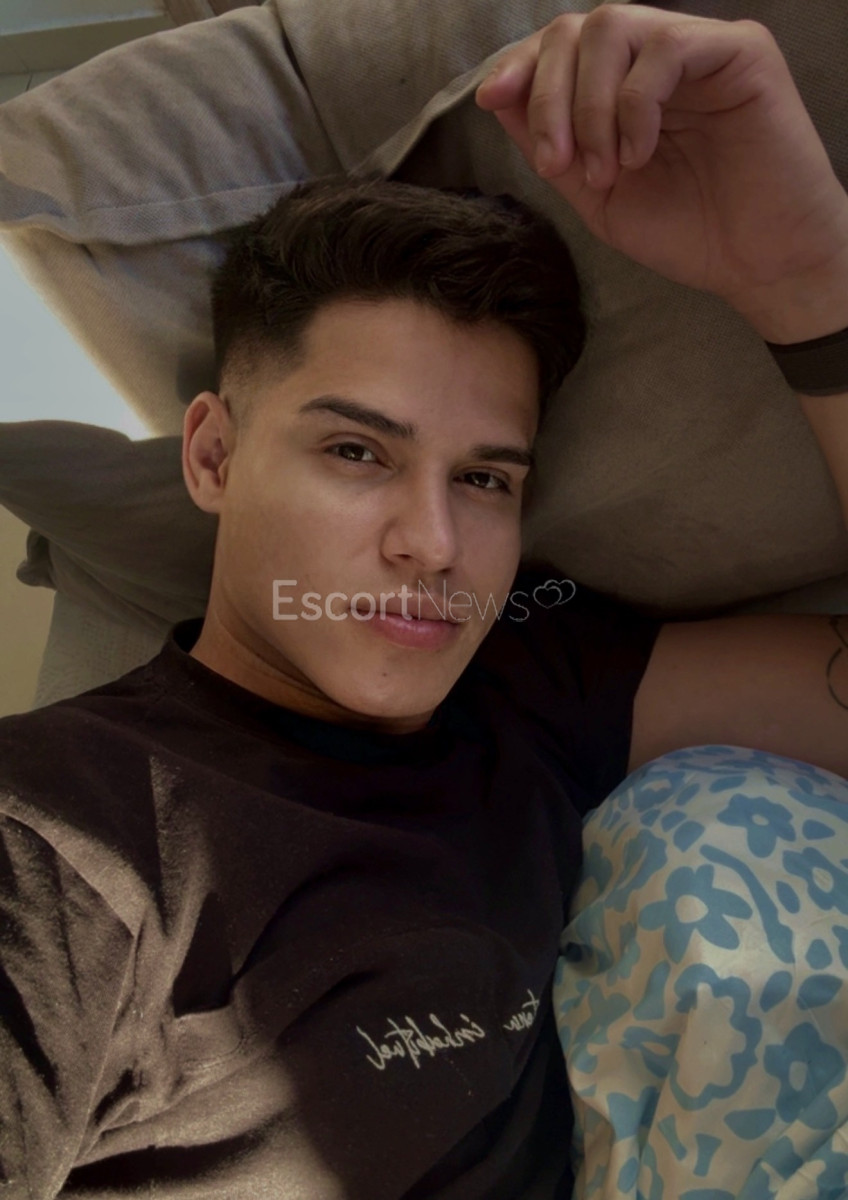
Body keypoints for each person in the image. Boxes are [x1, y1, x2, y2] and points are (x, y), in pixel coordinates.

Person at [1, 6, 848, 1198]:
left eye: (484, 479)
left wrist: (809, 282)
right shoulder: (54, 838)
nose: (433, 544)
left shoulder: (529, 682)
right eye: (356, 452)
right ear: (213, 456)